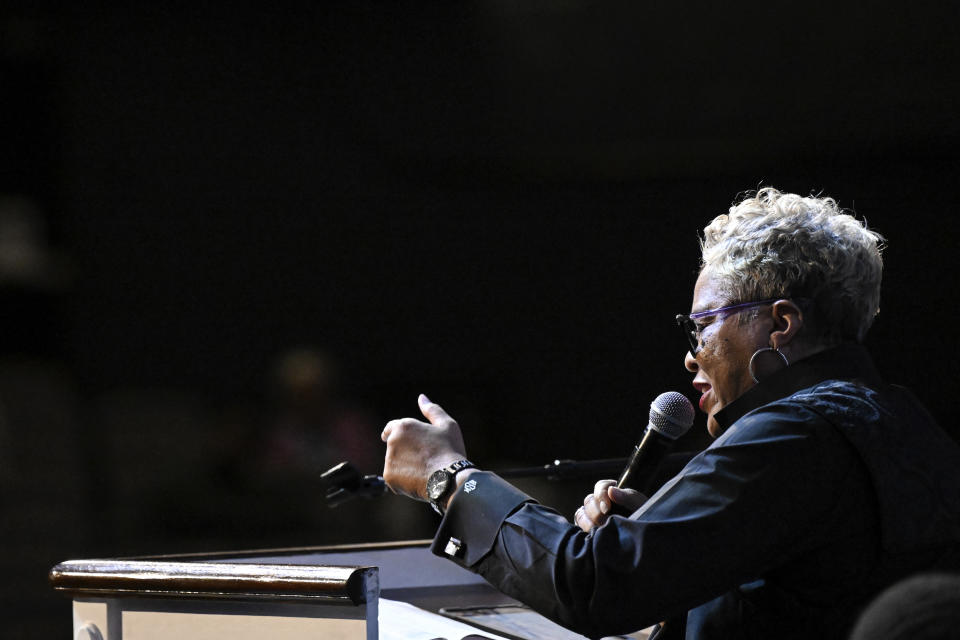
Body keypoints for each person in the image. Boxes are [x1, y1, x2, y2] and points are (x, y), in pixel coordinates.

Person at [380, 188, 960, 640]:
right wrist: (668, 545)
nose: (691, 354)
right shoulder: (905, 422)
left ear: (780, 324)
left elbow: (595, 585)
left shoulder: (791, 435)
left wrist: (450, 478)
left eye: (703, 324)